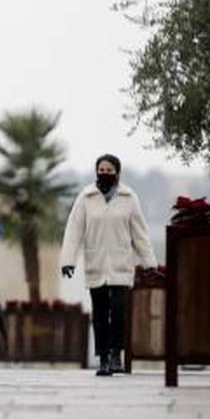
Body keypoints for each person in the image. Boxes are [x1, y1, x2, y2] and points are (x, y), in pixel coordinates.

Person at [59, 153, 156, 376]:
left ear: (117, 173)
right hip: (96, 263)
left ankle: (116, 355)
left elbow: (139, 233)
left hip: (121, 264)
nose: (104, 174)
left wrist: (149, 262)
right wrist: (68, 261)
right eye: (101, 170)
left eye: (109, 171)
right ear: (96, 172)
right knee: (100, 314)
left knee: (120, 311)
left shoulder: (129, 197)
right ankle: (102, 358)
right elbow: (74, 230)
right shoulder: (86, 197)